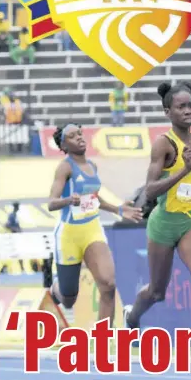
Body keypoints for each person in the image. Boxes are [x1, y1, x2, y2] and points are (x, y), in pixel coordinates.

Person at [122, 82, 191, 380]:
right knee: (157, 292)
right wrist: (181, 170)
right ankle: (133, 316)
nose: (188, 110)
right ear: (168, 111)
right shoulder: (163, 144)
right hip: (164, 223)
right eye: (181, 106)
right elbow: (150, 190)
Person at [47, 124, 142, 325]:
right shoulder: (64, 167)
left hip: (92, 230)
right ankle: (56, 288)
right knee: (69, 298)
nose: (79, 138)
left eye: (79, 133)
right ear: (64, 145)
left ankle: (102, 344)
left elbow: (94, 199)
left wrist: (118, 209)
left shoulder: (93, 166)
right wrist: (67, 200)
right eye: (72, 136)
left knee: (108, 285)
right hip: (69, 235)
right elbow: (51, 203)